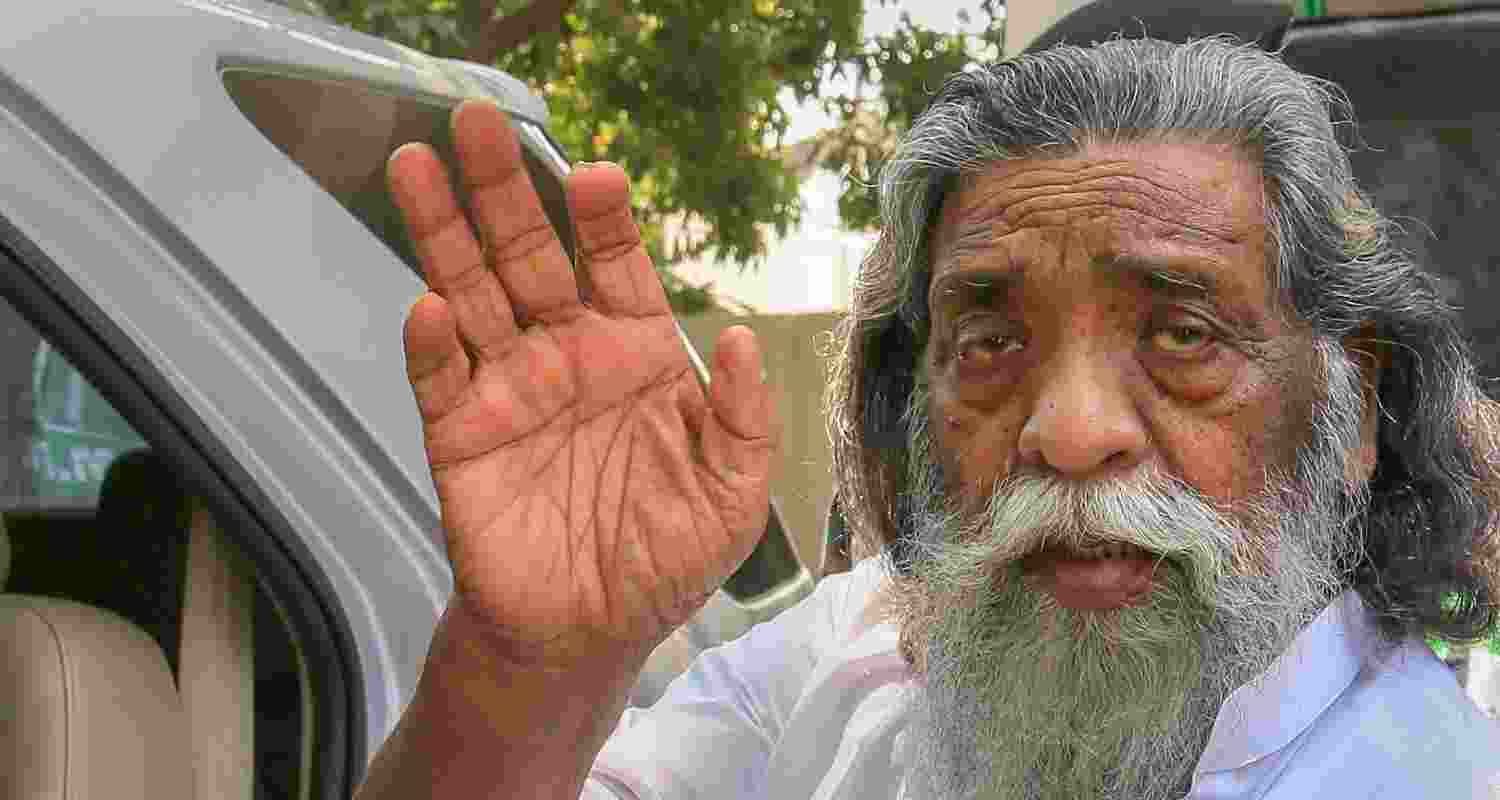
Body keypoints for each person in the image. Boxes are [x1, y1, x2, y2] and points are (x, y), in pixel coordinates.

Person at [355, 37, 1500, 800]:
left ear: (1352, 405)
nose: (1070, 428)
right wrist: (538, 663)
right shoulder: (854, 652)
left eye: (1182, 335)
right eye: (992, 343)